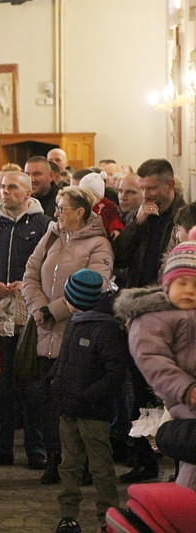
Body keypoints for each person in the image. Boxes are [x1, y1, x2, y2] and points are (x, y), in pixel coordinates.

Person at [22, 186, 113, 484]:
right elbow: (31, 274)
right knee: (46, 401)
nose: (57, 213)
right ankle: (53, 459)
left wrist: (54, 311)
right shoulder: (51, 236)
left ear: (80, 213)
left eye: (62, 208)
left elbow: (95, 285)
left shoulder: (98, 244)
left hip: (76, 335)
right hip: (44, 332)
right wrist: (38, 308)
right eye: (57, 208)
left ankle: (80, 464)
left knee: (74, 404)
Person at [0, 171, 52, 469]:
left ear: (28, 193)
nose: (4, 191)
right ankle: (2, 447)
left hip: (33, 318)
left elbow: (52, 269)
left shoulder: (46, 226)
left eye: (12, 187)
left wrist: (28, 287)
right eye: (0, 186)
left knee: (32, 386)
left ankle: (37, 448)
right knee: (1, 385)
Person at [112, 158, 185, 482]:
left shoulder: (185, 216)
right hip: (141, 313)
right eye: (142, 189)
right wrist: (138, 222)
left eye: (152, 188)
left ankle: (182, 465)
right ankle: (144, 461)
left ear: (169, 186)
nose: (147, 194)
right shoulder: (140, 215)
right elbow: (120, 256)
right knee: (140, 391)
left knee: (173, 393)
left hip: (175, 314)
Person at [114, 238, 196, 490]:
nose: (190, 291)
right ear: (167, 284)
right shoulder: (152, 318)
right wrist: (186, 389)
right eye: (183, 283)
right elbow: (154, 361)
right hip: (186, 401)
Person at [51, 269, 125, 533]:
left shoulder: (106, 329)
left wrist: (86, 395)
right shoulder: (76, 322)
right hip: (69, 409)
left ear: (78, 299)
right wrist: (56, 384)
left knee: (100, 467)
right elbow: (66, 361)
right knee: (69, 465)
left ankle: (108, 517)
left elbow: (115, 373)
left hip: (94, 413)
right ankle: (68, 515)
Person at [79, 173, 124, 239]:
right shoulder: (80, 205)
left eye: (88, 194)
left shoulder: (108, 205)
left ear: (97, 195)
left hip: (103, 236)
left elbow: (114, 219)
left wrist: (115, 229)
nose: (85, 197)